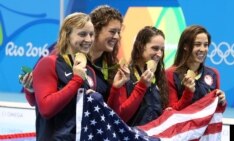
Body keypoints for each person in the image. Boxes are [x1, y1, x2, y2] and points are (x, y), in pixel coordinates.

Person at [31, 12, 95, 140]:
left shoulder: (89, 71)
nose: (88, 39)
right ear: (67, 35)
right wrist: (76, 80)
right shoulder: (48, 63)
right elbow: (46, 109)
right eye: (82, 34)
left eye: (91, 34)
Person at [108, 26, 168, 126]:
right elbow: (121, 116)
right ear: (140, 46)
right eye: (155, 48)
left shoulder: (159, 77)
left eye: (162, 49)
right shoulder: (124, 74)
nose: (159, 54)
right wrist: (142, 86)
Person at [165, 25, 226, 111]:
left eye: (206, 45)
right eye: (197, 44)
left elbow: (216, 113)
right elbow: (171, 113)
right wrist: (188, 92)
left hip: (205, 124)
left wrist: (221, 102)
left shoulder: (213, 73)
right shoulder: (170, 74)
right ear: (185, 46)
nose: (202, 49)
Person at [87, 5, 123, 102]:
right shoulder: (73, 60)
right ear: (95, 30)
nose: (116, 37)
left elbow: (114, 111)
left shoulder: (113, 67)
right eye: (112, 31)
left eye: (118, 32)